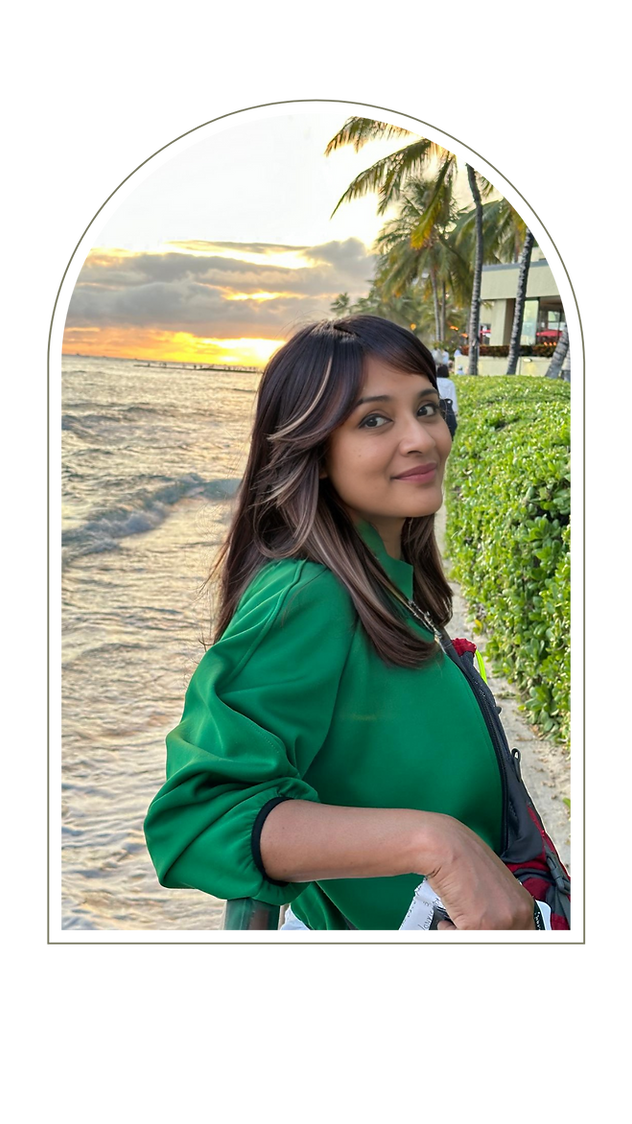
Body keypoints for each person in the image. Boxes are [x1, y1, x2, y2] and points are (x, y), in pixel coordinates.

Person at [143, 315, 536, 935]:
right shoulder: (310, 593)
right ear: (315, 453)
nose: (421, 439)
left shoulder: (390, 585)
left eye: (428, 409)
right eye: (374, 420)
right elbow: (198, 819)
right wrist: (435, 844)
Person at [435, 363, 459, 438]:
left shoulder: (434, 381)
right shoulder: (450, 383)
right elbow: (452, 397)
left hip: (436, 406)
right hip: (448, 407)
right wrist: (455, 411)